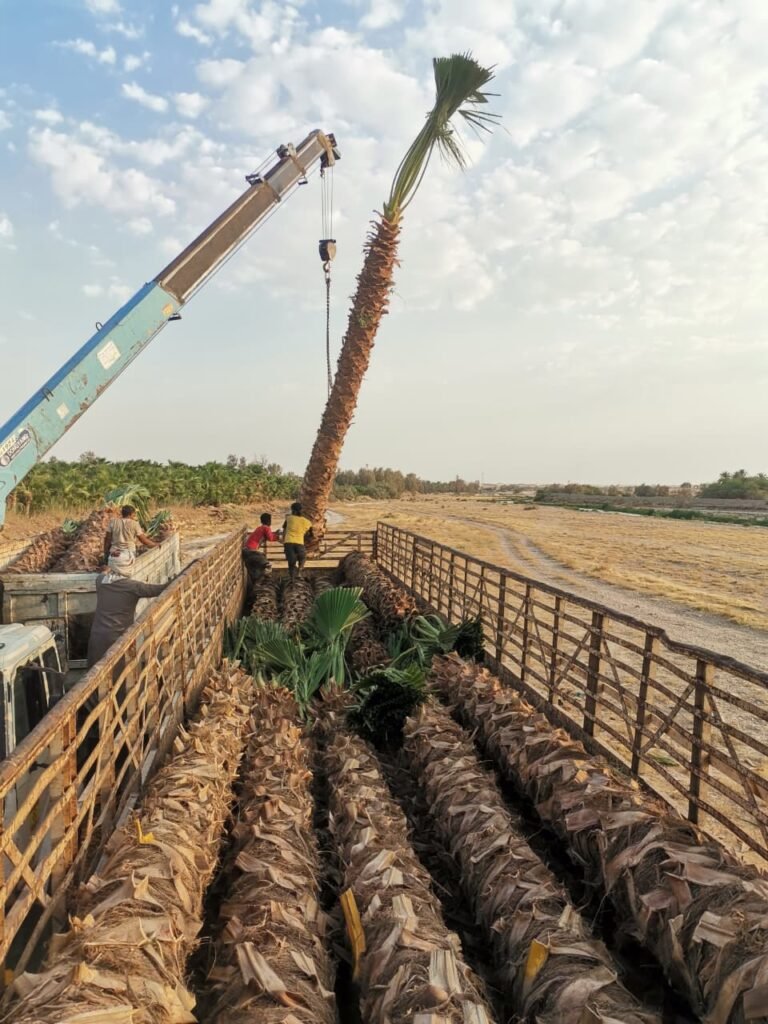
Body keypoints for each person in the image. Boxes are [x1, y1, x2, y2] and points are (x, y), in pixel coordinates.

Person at [87, 551, 170, 667]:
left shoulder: (101, 581)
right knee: (118, 676)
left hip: (97, 638)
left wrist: (107, 569)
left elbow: (104, 573)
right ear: (126, 567)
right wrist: (172, 581)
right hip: (117, 639)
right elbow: (157, 590)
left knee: (95, 675)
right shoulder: (132, 586)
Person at [103, 505, 158, 575]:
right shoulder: (134, 524)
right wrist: (155, 544)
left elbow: (107, 539)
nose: (134, 516)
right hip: (128, 557)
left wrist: (105, 553)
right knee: (127, 579)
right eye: (134, 514)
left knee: (112, 579)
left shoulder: (113, 522)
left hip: (114, 556)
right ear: (131, 514)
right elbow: (143, 540)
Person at [243, 512, 281, 586]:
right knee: (267, 566)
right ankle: (266, 581)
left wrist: (274, 534)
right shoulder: (266, 528)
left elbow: (268, 535)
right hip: (252, 551)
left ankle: (256, 587)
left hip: (246, 552)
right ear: (269, 521)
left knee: (255, 573)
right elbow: (270, 538)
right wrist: (278, 537)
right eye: (270, 520)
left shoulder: (260, 528)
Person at [282, 501, 312, 578]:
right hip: (299, 543)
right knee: (303, 557)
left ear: (293, 510)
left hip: (288, 542)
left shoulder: (288, 518)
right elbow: (310, 535)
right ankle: (299, 571)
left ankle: (291, 577)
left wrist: (283, 540)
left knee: (291, 561)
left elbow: (284, 531)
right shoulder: (307, 522)